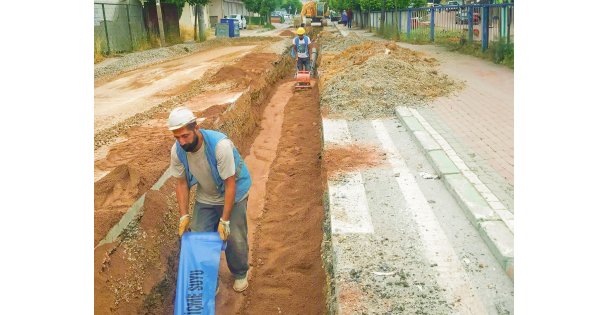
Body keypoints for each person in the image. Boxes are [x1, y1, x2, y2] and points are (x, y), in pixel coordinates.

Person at [167, 106, 252, 293]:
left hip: (234, 193)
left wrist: (225, 220)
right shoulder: (178, 151)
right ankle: (210, 281)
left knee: (234, 237)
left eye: (185, 136)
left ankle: (239, 273)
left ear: (196, 128)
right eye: (177, 137)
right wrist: (184, 216)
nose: (181, 142)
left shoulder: (220, 146)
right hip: (206, 195)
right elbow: (181, 183)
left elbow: (230, 184)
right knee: (199, 239)